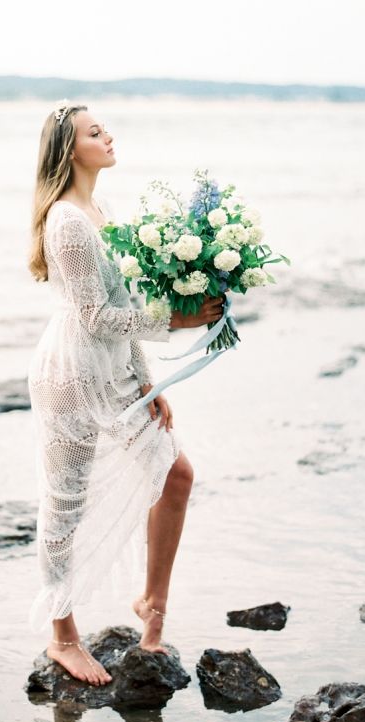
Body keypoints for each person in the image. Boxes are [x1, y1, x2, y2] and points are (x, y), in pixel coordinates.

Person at [26, 103, 224, 685]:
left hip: (113, 371)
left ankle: (151, 608)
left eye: (104, 128)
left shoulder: (99, 208)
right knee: (64, 500)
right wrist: (176, 323)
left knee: (175, 474)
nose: (108, 136)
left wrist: (146, 380)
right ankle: (63, 637)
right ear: (68, 150)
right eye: (94, 132)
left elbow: (117, 306)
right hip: (70, 374)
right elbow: (92, 316)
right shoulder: (65, 222)